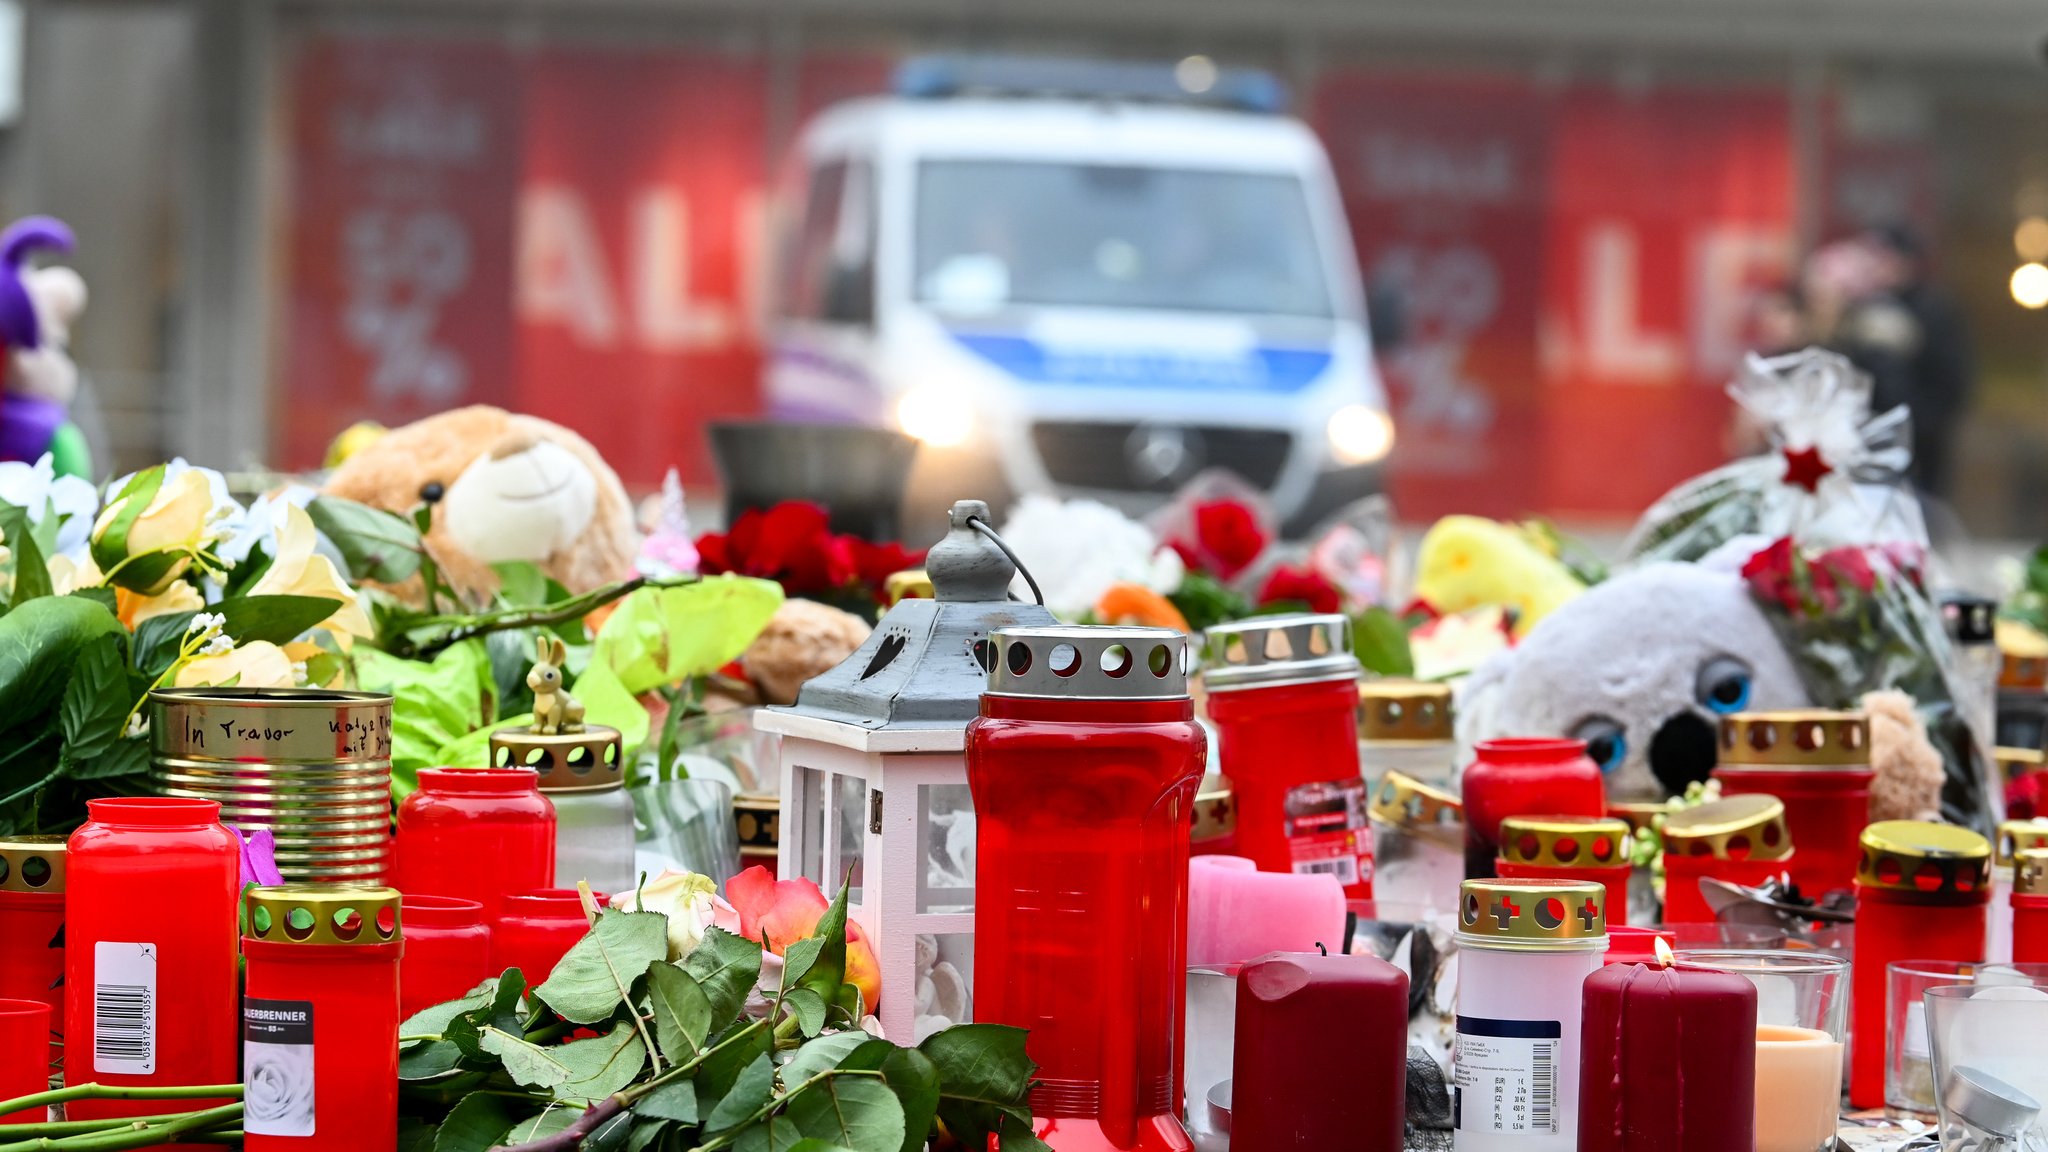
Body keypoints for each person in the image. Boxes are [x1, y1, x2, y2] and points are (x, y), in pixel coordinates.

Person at [1864, 224, 1977, 500]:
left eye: (1885, 258)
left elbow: (1952, 376)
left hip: (1922, 437)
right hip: (1875, 435)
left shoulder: (1933, 310)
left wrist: (1925, 421)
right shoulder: (1869, 307)